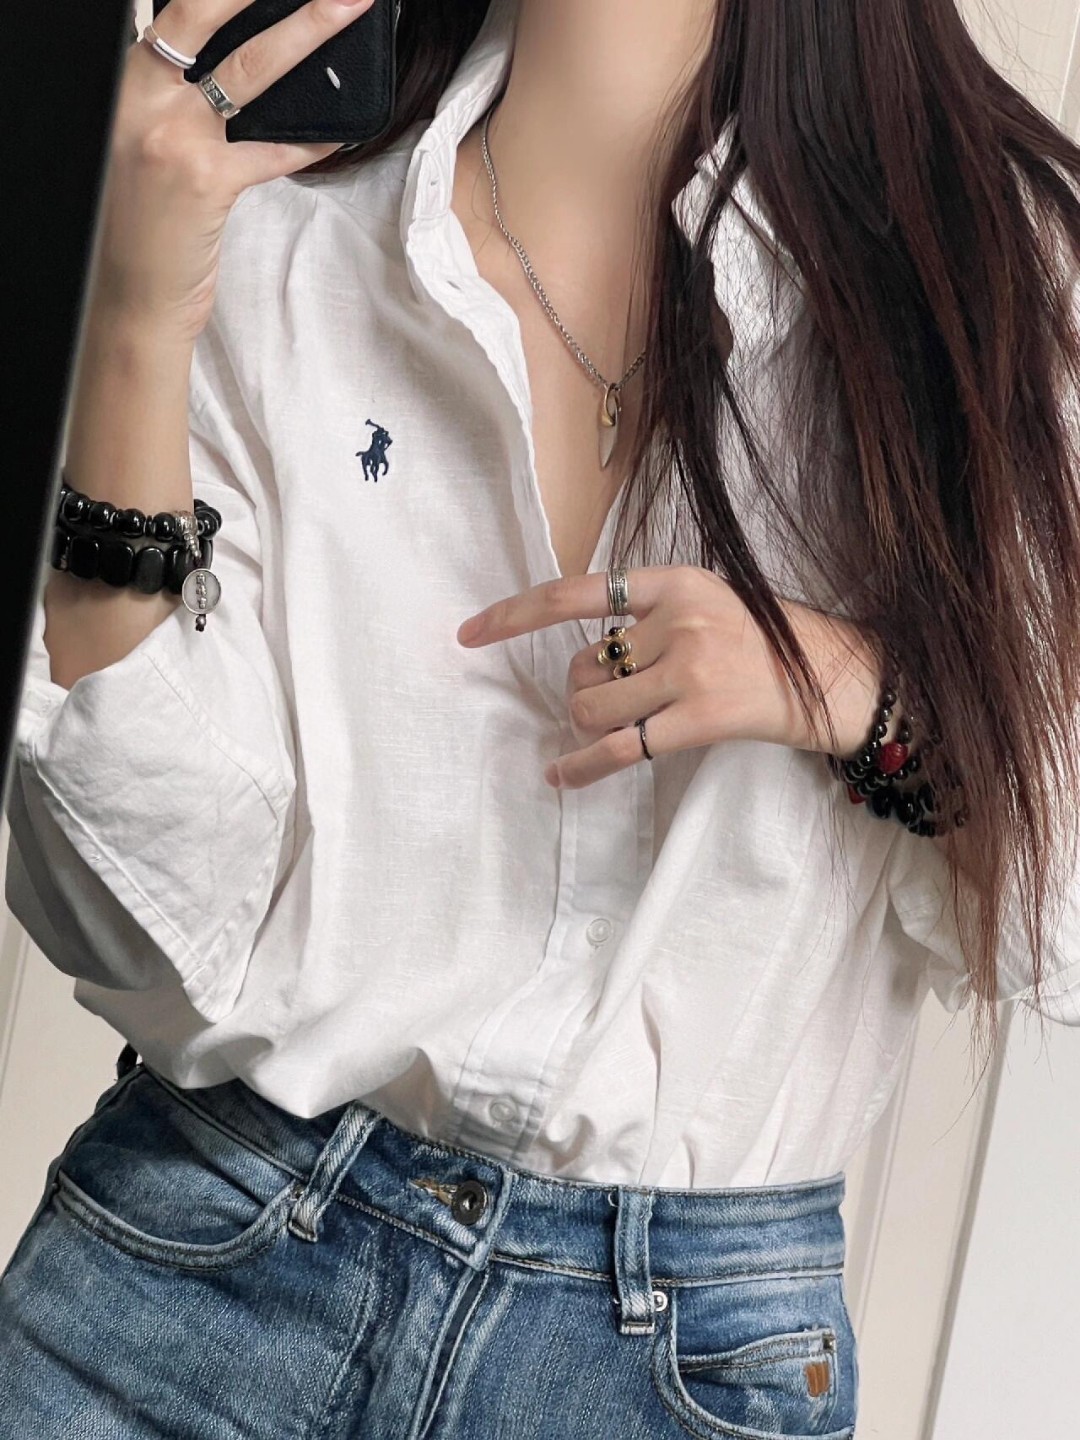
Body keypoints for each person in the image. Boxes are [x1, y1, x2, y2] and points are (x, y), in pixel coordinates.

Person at [2, 0, 1079, 1434]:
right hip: (201, 1263)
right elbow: (145, 925)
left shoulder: (995, 268)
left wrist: (854, 690)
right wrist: (131, 321)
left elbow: (1056, 905)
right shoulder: (264, 229)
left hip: (677, 1361)